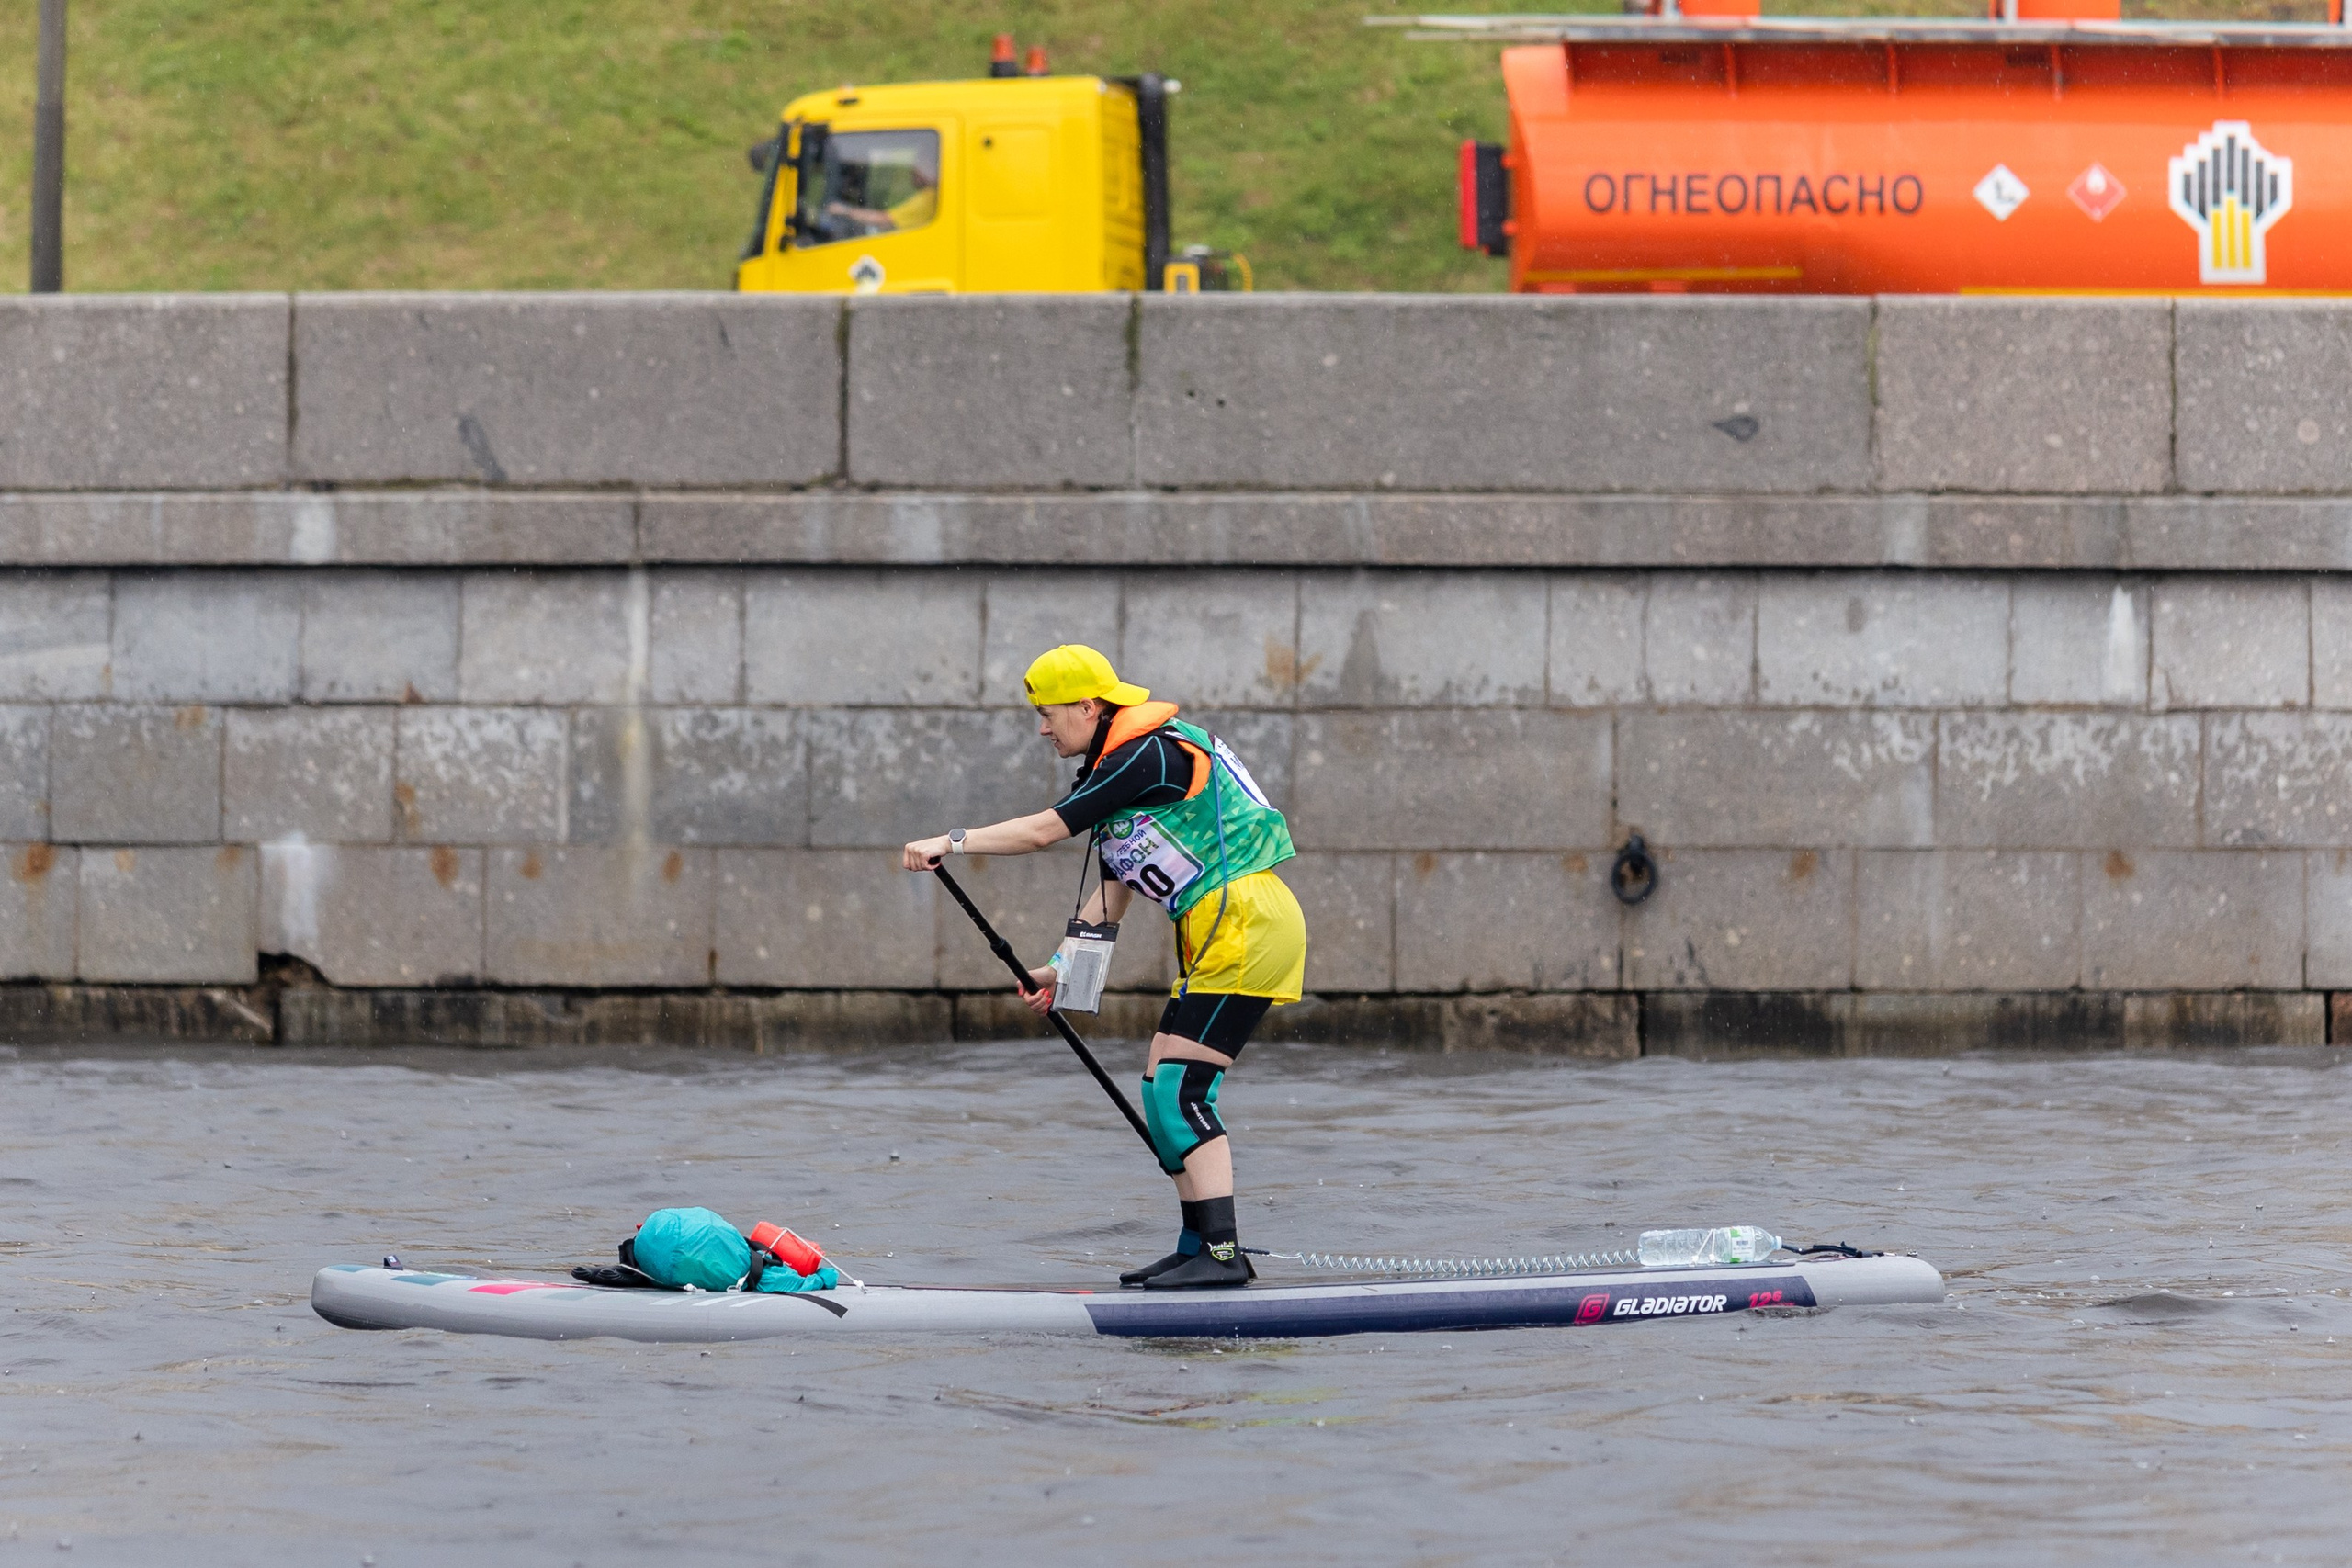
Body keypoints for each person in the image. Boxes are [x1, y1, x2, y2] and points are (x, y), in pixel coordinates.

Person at [902, 645, 1306, 1289]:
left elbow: (1041, 832)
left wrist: (949, 841)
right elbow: (1115, 884)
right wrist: (1061, 971)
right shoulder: (1121, 764)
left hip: (1249, 924)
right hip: (1219, 930)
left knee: (1182, 1091)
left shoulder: (1149, 753)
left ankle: (1225, 1256)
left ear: (1088, 707)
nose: (1042, 728)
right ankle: (1195, 1243)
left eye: (1048, 713)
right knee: (1157, 1088)